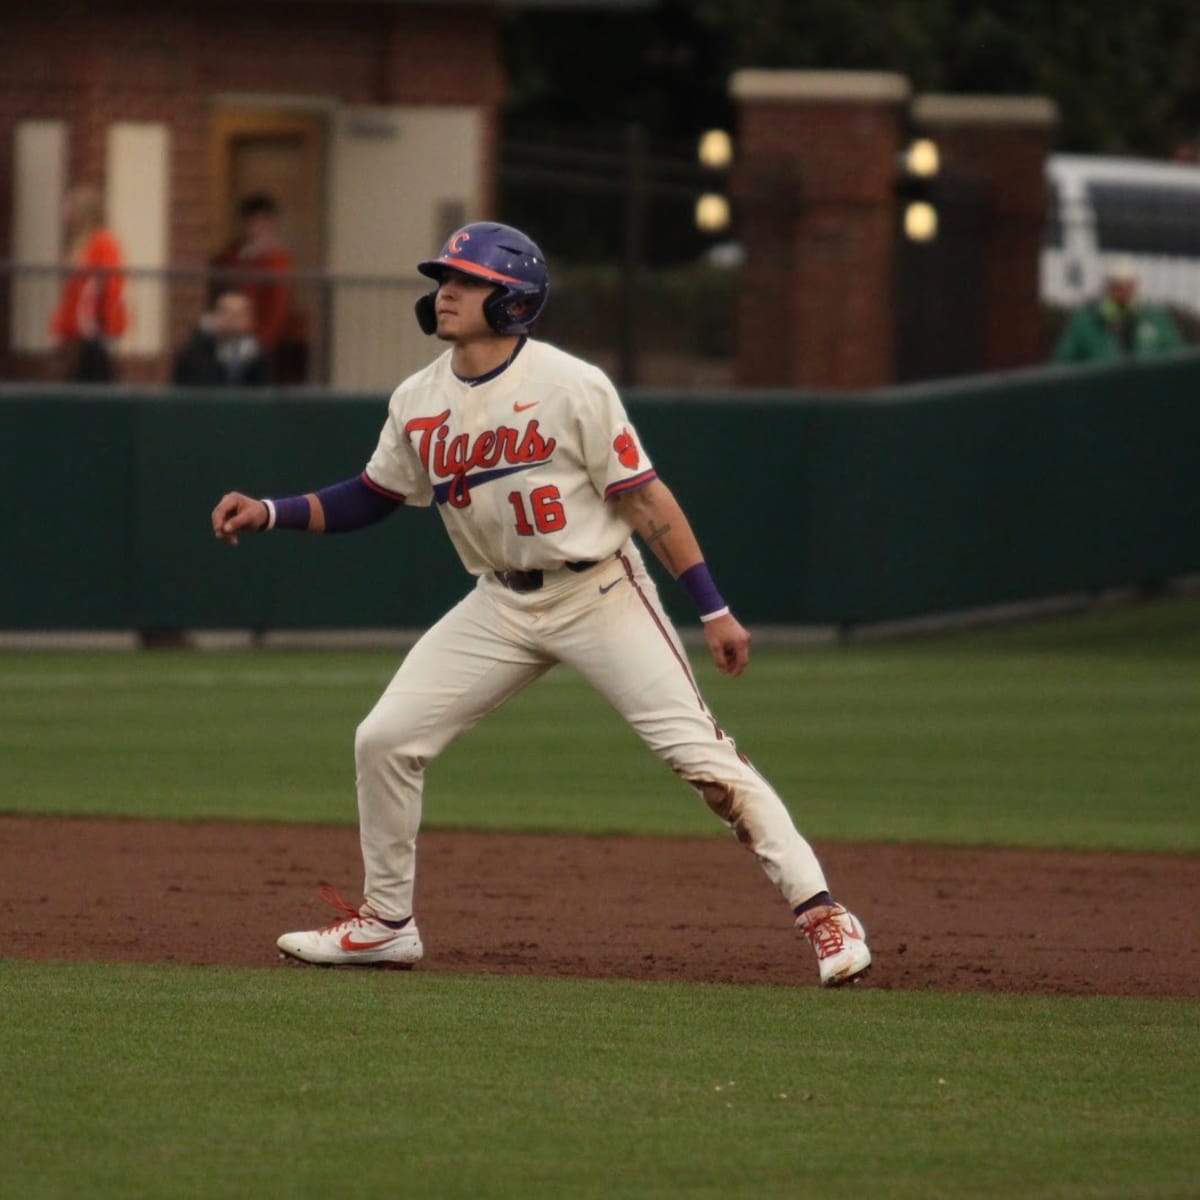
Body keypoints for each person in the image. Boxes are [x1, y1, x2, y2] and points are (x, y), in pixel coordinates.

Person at [210, 221, 871, 988]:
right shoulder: (418, 398)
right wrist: (270, 509)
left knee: (700, 756)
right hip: (499, 601)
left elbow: (648, 503)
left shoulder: (570, 385)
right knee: (384, 738)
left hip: (598, 590)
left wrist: (713, 607)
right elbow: (372, 496)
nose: (446, 292)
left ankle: (824, 913)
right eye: (444, 279)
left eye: (466, 280)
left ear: (514, 301)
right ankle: (387, 925)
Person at [210, 193, 305, 381]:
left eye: (262, 222)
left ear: (270, 224)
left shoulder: (277, 260)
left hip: (260, 340)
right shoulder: (231, 254)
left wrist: (263, 342)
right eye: (251, 221)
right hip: (229, 335)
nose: (255, 227)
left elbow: (278, 306)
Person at [49, 184, 128, 381]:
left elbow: (109, 282)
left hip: (93, 328)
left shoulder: (103, 242)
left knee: (92, 378)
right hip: (80, 329)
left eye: (69, 206)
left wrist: (102, 323)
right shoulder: (81, 243)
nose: (63, 212)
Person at [1052, 256, 1183, 363]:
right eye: (1117, 287)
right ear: (1107, 287)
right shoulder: (1086, 323)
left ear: (1135, 286)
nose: (1123, 293)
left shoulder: (1156, 321)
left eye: (1128, 286)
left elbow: (1175, 361)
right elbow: (1064, 364)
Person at [173, 290, 271, 386]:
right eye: (226, 312)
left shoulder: (258, 353)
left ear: (249, 319)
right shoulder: (195, 351)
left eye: (239, 314)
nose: (232, 319)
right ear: (214, 315)